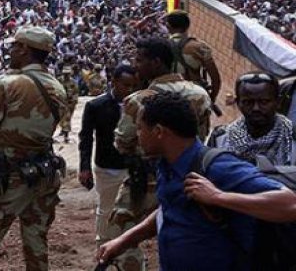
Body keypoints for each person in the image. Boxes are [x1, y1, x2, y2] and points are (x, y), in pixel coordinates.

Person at [97, 91, 296, 271]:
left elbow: (290, 204)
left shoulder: (217, 167)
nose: (138, 136)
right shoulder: (167, 165)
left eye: (140, 129)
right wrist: (124, 241)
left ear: (158, 131)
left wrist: (219, 197)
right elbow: (169, 209)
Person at [0, 26, 67, 271]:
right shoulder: (57, 86)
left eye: (14, 46)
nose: (10, 51)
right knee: (36, 242)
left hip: (9, 176)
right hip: (44, 172)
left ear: (25, 50)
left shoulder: (6, 83)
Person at [108, 37, 212, 271]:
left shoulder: (138, 100)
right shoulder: (199, 94)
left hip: (146, 180)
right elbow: (202, 135)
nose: (135, 65)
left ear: (156, 63)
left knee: (122, 226)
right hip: (191, 176)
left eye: (139, 59)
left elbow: (123, 143)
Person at [78, 64, 140, 246]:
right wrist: (84, 167)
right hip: (107, 166)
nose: (129, 89)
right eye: (125, 85)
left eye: (133, 85)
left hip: (133, 166)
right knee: (106, 208)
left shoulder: (139, 105)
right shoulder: (96, 105)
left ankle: (125, 245)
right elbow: (86, 138)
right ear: (114, 82)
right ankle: (103, 243)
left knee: (130, 209)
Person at [208, 71, 296, 165]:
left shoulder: (292, 137)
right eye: (248, 102)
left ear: (278, 102)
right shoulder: (220, 138)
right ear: (238, 103)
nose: (256, 108)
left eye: (264, 102)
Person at [165, 10, 222, 107]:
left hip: (168, 97)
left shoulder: (161, 46)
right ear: (187, 26)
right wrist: (211, 98)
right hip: (194, 99)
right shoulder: (200, 47)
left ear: (168, 27)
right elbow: (216, 79)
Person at [57, 66, 79, 143]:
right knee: (62, 118)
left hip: (69, 103)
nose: (66, 75)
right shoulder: (59, 80)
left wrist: (74, 102)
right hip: (61, 102)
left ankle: (66, 135)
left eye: (68, 74)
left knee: (67, 118)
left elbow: (75, 92)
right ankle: (64, 130)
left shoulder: (73, 82)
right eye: (65, 74)